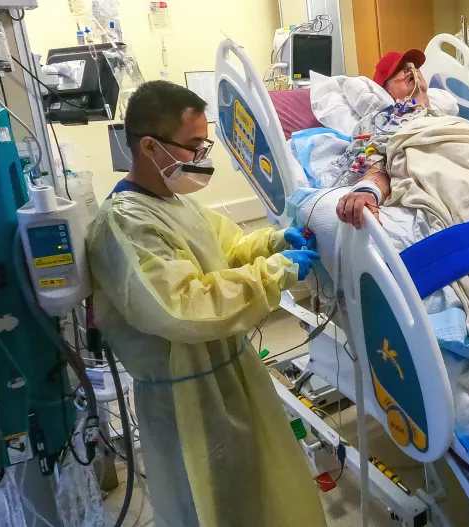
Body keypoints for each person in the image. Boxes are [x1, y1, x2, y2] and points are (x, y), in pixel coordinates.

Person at [85, 80, 325, 527]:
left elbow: (224, 247)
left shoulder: (174, 203)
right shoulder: (124, 224)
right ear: (151, 146)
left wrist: (272, 243)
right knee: (211, 503)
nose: (203, 158)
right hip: (187, 398)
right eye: (194, 146)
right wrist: (275, 274)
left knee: (258, 492)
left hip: (230, 372)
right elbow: (183, 306)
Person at [336, 49, 432, 228]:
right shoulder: (383, 120)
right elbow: (376, 155)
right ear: (385, 89)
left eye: (415, 67)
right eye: (400, 70)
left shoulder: (443, 117)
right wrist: (368, 189)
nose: (411, 69)